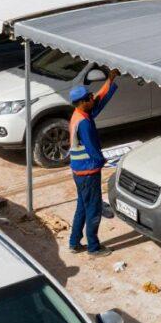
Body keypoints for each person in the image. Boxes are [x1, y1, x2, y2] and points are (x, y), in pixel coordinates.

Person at [68, 67, 120, 257]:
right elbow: (92, 150)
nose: (93, 98)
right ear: (82, 102)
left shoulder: (79, 114)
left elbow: (99, 100)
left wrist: (110, 80)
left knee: (82, 206)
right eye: (89, 97)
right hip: (88, 171)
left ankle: (74, 242)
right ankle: (93, 247)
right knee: (93, 209)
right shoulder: (85, 123)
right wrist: (105, 161)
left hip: (78, 171)